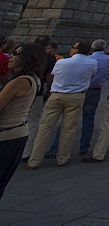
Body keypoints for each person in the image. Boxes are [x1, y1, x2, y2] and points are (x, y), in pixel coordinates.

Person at [26, 40, 98, 168]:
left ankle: (34, 160)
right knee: (69, 129)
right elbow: (92, 75)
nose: (71, 49)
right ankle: (63, 158)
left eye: (73, 47)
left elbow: (53, 75)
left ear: (76, 50)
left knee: (45, 128)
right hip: (77, 96)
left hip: (57, 95)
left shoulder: (62, 62)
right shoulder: (92, 63)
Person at [0, 44, 45, 198]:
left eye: (16, 53)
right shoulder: (34, 78)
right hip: (16, 134)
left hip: (6, 136)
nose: (10, 56)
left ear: (28, 58)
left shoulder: (20, 81)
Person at [77, 39, 109, 157]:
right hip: (95, 91)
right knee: (89, 118)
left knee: (70, 118)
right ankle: (84, 146)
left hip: (81, 90)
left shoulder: (87, 60)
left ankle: (56, 146)